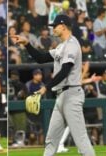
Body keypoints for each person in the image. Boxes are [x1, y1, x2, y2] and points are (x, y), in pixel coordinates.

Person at [11, 14, 96, 156]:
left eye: (55, 26)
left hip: (71, 95)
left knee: (81, 141)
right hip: (61, 97)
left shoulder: (72, 45)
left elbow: (65, 71)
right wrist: (27, 44)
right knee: (51, 140)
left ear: (63, 26)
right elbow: (40, 58)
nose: (53, 29)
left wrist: (46, 87)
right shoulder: (61, 46)